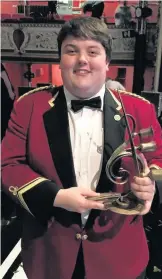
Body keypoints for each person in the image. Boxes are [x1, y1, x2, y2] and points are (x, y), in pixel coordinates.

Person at [1, 17, 162, 279]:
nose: (82, 59)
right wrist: (56, 197)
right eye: (71, 50)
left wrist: (150, 186)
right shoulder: (28, 106)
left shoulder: (140, 109)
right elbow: (8, 165)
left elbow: (158, 158)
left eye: (93, 51)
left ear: (107, 62)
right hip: (50, 254)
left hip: (119, 257)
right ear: (60, 60)